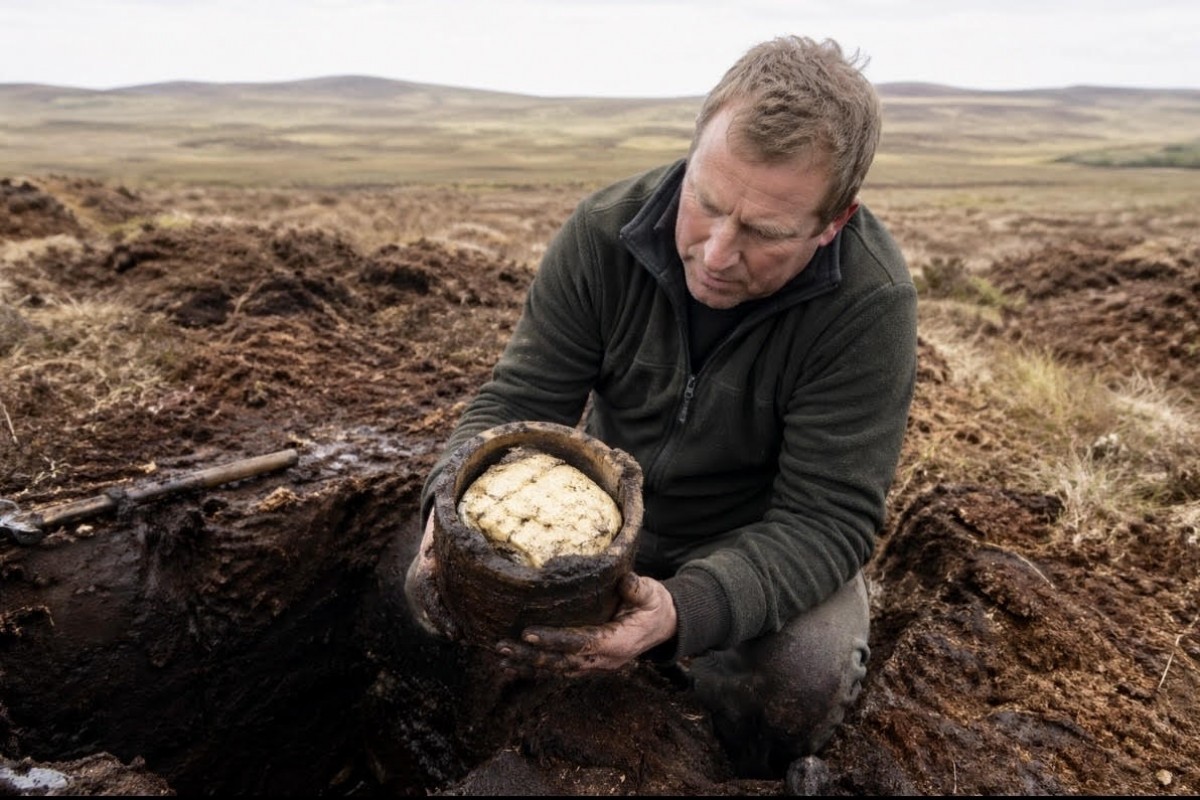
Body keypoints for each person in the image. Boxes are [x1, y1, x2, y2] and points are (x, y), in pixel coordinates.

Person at [405, 35, 918, 779]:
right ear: (692, 154)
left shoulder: (869, 305)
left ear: (832, 223)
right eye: (705, 204)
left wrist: (684, 609)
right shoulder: (603, 235)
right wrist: (445, 509)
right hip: (595, 543)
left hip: (752, 544)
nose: (715, 253)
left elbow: (827, 519)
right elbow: (518, 401)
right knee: (416, 593)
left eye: (765, 233)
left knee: (801, 682)